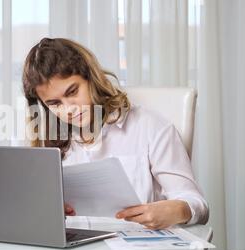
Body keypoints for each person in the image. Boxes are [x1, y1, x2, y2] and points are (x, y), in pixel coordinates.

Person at [22, 37, 209, 229]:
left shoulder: (150, 127)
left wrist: (176, 210)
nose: (68, 109)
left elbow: (196, 203)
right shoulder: (50, 143)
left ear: (91, 79)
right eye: (55, 103)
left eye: (72, 92)